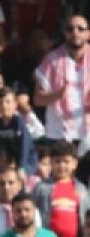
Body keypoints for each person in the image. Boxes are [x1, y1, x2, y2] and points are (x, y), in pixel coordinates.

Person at [33, 14, 90, 151]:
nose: (75, 32)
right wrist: (58, 95)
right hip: (59, 133)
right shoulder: (51, 60)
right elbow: (37, 99)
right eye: (70, 29)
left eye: (80, 29)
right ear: (65, 33)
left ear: (88, 33)